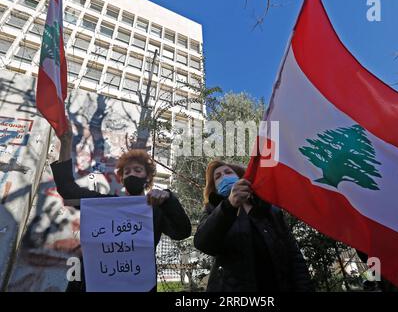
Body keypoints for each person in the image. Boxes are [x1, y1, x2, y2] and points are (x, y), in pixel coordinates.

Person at [51, 123, 191, 291]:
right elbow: (68, 190)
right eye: (127, 172)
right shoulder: (104, 206)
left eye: (138, 170)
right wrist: (66, 142)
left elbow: (182, 232)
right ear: (122, 179)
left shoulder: (156, 209)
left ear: (148, 178)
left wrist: (169, 199)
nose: (132, 174)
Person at [194, 160, 314, 292]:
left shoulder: (269, 209)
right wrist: (229, 205)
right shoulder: (212, 210)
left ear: (240, 178)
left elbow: (293, 255)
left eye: (228, 172)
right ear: (215, 187)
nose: (224, 177)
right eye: (218, 177)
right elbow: (202, 242)